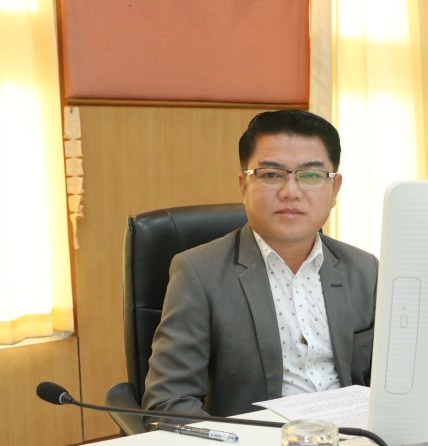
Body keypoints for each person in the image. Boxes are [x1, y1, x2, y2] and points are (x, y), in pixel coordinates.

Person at [142, 110, 378, 419]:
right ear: (243, 185)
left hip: (359, 440)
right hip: (257, 443)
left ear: (334, 189)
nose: (290, 192)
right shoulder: (199, 273)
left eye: (311, 175)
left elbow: (395, 382)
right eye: (270, 175)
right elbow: (169, 403)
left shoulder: (365, 269)